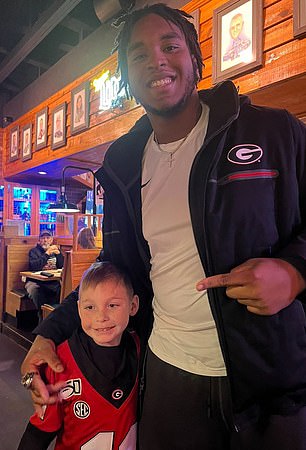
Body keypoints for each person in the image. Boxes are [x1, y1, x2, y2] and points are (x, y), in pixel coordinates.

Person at [21, 4, 306, 450]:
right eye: (137, 55)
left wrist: (294, 272)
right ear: (127, 77)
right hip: (169, 375)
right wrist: (47, 334)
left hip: (272, 381)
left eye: (170, 45)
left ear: (196, 59)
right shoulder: (121, 166)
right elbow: (116, 268)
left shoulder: (274, 133)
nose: (155, 59)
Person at [18, 262, 140, 449]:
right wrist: (28, 380)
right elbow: (37, 435)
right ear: (78, 309)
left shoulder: (141, 349)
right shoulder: (59, 362)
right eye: (90, 307)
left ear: (133, 306)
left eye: (113, 305)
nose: (101, 317)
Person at [25, 230, 64, 322]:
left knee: (63, 288)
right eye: (43, 238)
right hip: (35, 281)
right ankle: (41, 315)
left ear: (51, 240)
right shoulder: (34, 251)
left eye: (48, 238)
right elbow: (34, 266)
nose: (45, 240)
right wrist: (47, 254)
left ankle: (55, 317)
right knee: (34, 290)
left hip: (52, 281)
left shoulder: (55, 251)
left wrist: (59, 255)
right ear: (39, 240)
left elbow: (62, 267)